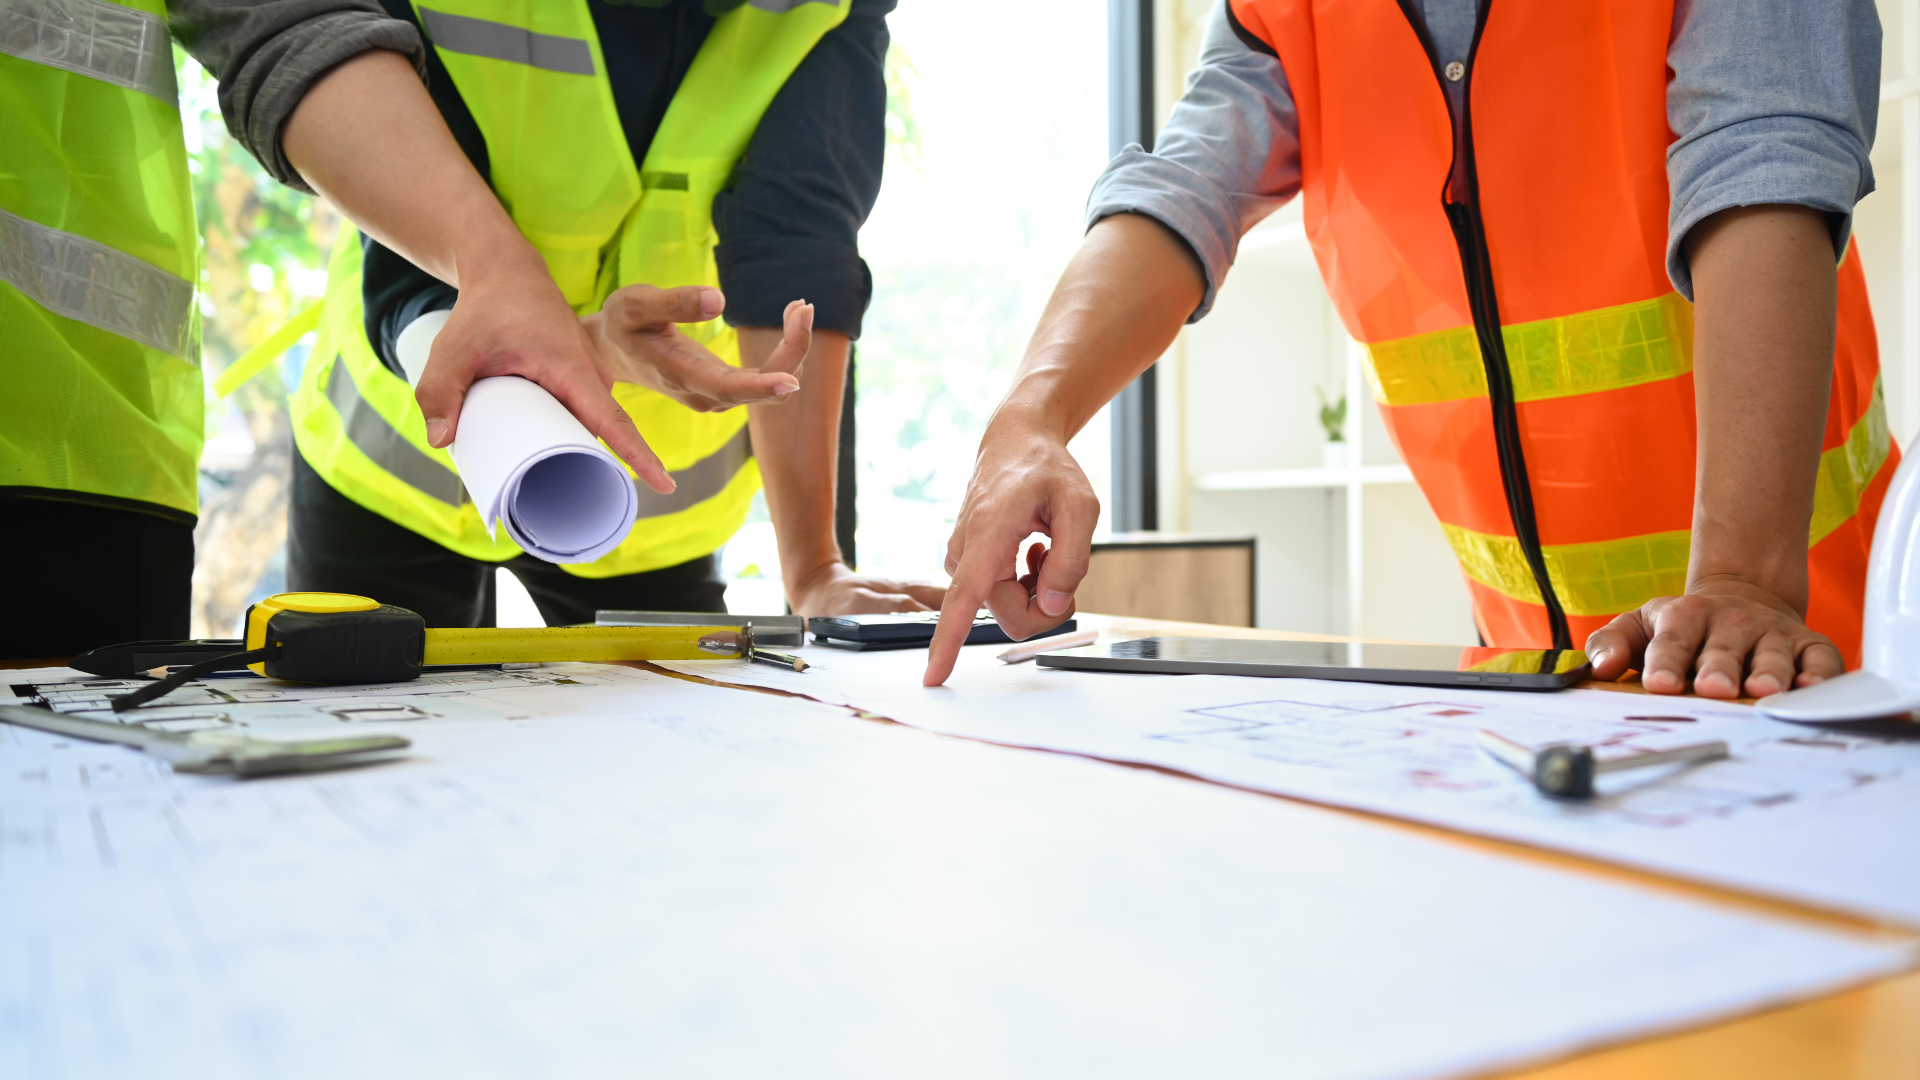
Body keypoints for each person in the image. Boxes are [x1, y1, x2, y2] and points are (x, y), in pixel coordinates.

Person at [925, 0, 1898, 697]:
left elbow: (1763, 158)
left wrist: (1739, 583)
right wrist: (1033, 418)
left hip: (1808, 659)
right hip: (1544, 683)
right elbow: (1185, 191)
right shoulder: (1287, 12)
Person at [239, 0, 942, 626]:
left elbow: (797, 252)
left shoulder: (820, 10)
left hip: (640, 495)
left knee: (676, 753)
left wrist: (815, 568)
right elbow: (397, 215)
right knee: (369, 737)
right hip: (395, 458)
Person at [0, 0, 416, 658]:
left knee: (89, 757)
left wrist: (486, 266)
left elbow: (297, 29)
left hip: (79, 466)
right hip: (86, 461)